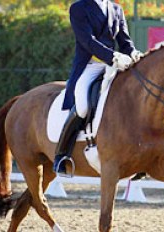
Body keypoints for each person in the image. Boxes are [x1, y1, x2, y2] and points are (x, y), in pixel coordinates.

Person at [53, 0, 143, 175]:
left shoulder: (116, 9)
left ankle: (138, 154)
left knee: (135, 97)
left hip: (115, 65)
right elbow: (87, 41)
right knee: (83, 106)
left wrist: (132, 52)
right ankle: (61, 154)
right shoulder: (79, 8)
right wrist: (113, 56)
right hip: (90, 65)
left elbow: (124, 41)